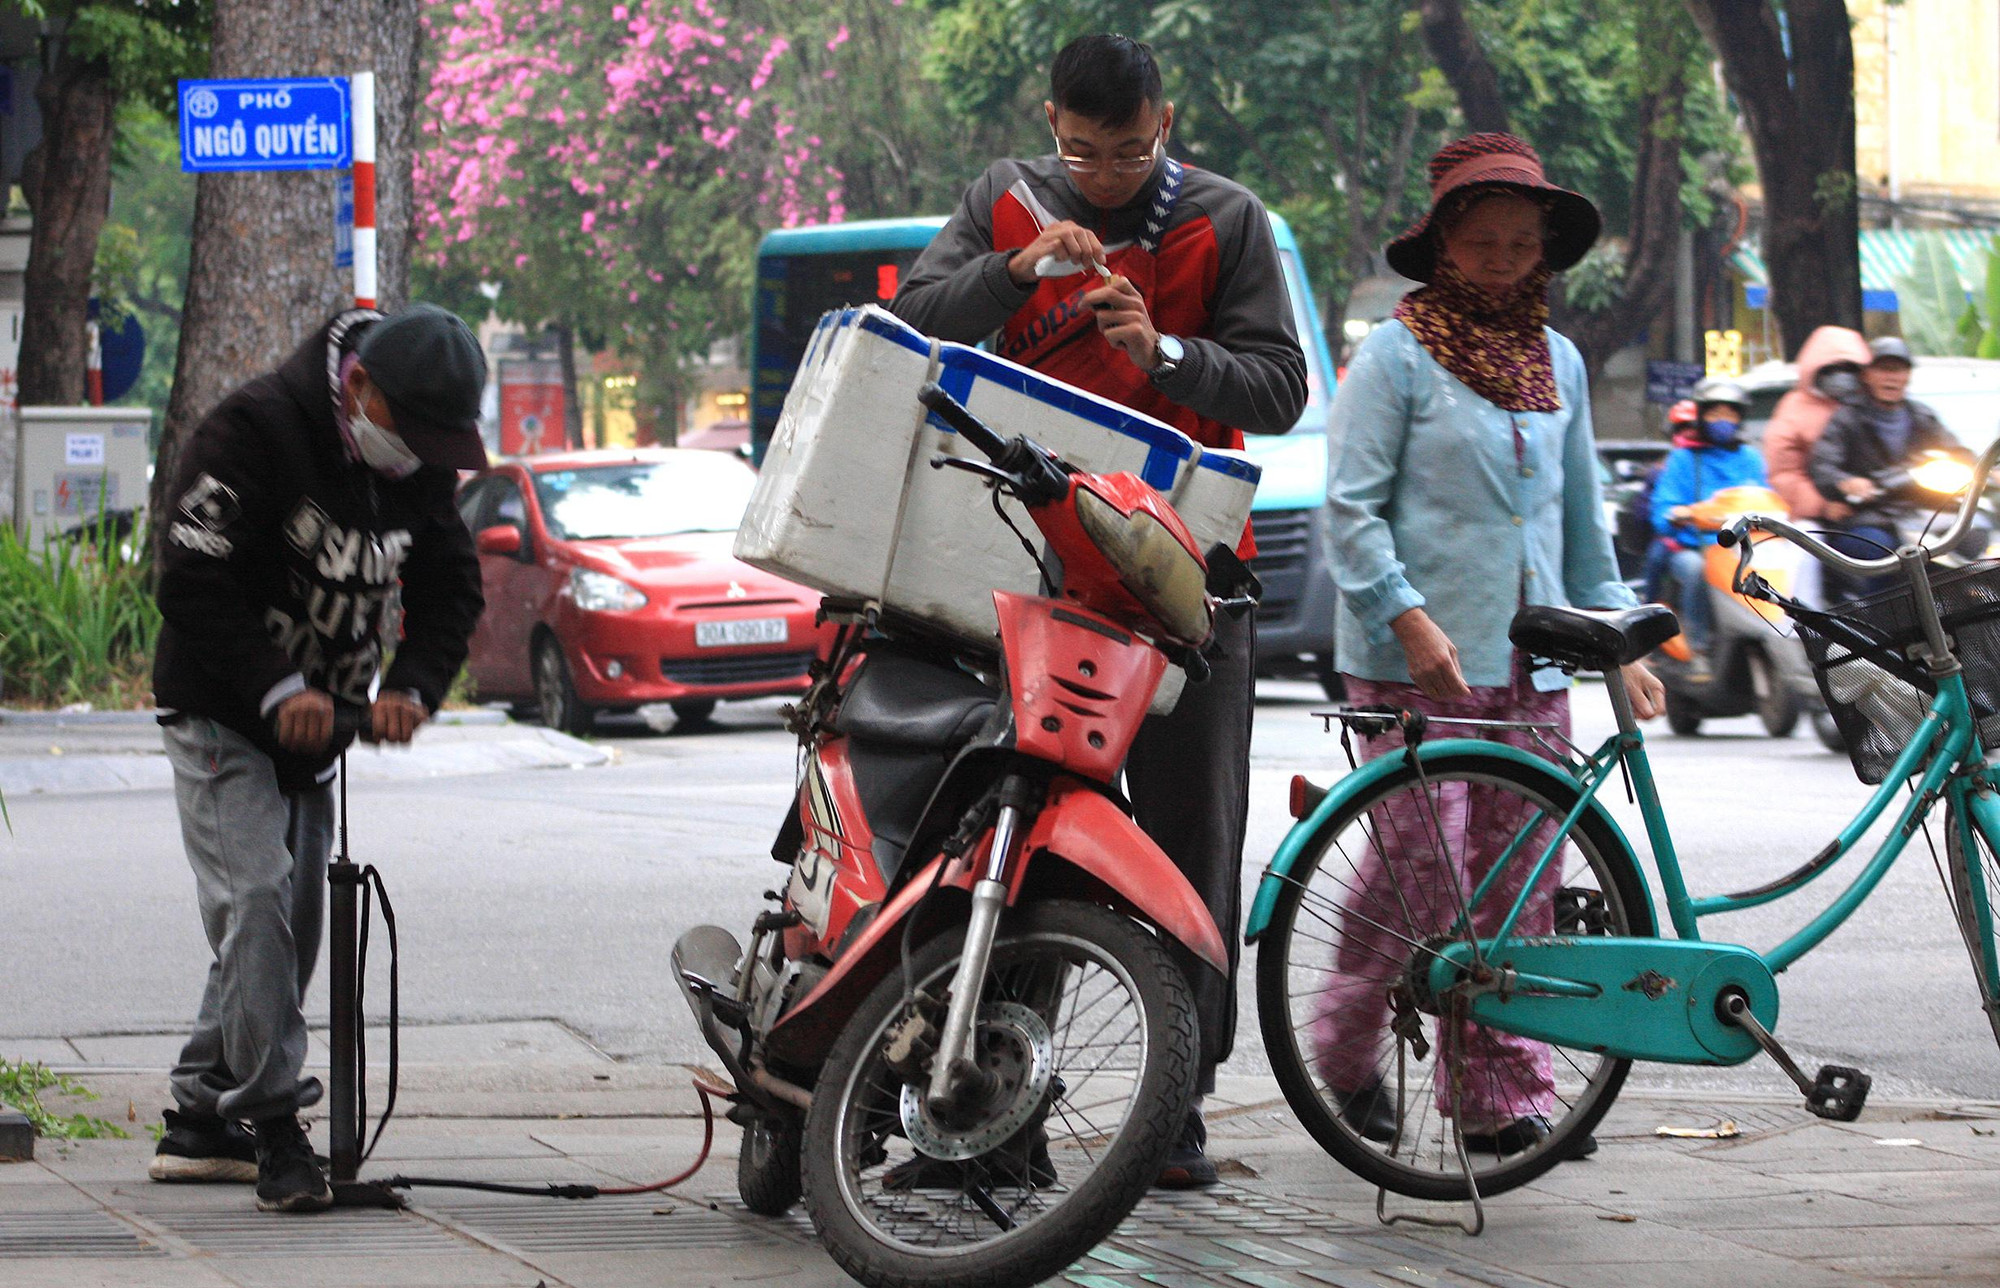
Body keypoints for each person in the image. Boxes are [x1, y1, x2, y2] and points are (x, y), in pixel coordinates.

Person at [890, 32, 1308, 1188]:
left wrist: (1166, 351)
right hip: (1032, 565)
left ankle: (1175, 1104)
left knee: (1191, 837)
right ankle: (982, 1104)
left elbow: (1278, 384)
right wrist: (1014, 275)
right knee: (1010, 831)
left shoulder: (1225, 221)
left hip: (1188, 578)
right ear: (1050, 124)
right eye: (1083, 151)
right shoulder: (1004, 200)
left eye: (1128, 151)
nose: (1106, 174)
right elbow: (923, 314)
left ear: (1163, 125)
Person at [1318, 132, 1664, 1159]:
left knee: (1520, 883)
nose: (1505, 255)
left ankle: (1499, 1094)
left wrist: (1616, 636)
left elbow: (1574, 524)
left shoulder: (1555, 359)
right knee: (1413, 878)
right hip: (1413, 657)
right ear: (1443, 247)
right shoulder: (1391, 356)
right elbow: (1349, 510)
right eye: (1483, 240)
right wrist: (1404, 612)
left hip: (1533, 661)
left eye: (1522, 240)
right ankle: (1341, 1050)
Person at [147, 305, 487, 1213]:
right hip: (223, 710)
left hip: (321, 720)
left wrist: (412, 687)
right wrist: (272, 689)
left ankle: (197, 1114)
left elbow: (451, 585)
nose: (416, 457)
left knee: (284, 922)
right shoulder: (255, 430)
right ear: (359, 387)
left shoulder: (416, 467)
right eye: (409, 435)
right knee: (255, 896)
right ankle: (274, 1126)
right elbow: (188, 577)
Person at [1811, 335, 1984, 595]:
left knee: (1973, 533)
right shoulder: (1847, 419)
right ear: (1867, 375)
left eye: (1899, 369)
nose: (1891, 377)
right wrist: (1845, 482)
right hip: (1870, 516)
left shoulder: (1922, 416)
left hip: (1923, 511)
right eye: (1883, 369)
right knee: (1876, 550)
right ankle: (1880, 620)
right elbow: (1823, 465)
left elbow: (1958, 452)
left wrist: (1986, 470)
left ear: (1908, 376)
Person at [1646, 377, 1767, 676]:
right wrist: (1677, 514)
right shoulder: (1684, 460)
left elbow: (1766, 498)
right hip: (1694, 547)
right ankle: (1699, 648)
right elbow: (1662, 508)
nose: (1723, 421)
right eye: (1715, 414)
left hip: (1744, 549)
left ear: (1740, 418)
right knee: (1698, 572)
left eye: (1730, 414)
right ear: (1701, 417)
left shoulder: (1751, 458)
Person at [1764, 325, 1872, 525]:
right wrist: (1822, 505)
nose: (1843, 377)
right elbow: (1785, 474)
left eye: (1850, 369)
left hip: (1875, 511)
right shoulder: (1794, 411)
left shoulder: (1872, 406)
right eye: (1833, 370)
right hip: (1814, 518)